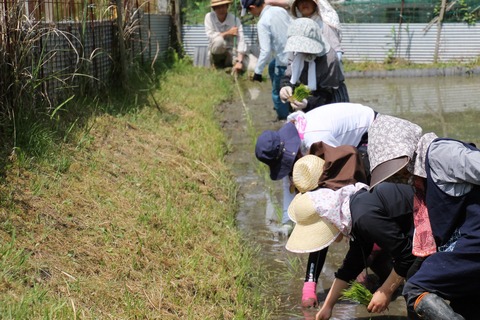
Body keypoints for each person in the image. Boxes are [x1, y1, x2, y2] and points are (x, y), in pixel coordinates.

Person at [366, 114, 480, 320]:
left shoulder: (440, 154)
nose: (394, 177)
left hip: (475, 239)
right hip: (466, 242)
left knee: (417, 288)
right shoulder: (420, 179)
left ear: (404, 150)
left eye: (393, 167)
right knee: (467, 306)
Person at [279, 18, 348, 113]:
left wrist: (308, 103)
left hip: (330, 94)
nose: (302, 50)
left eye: (305, 47)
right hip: (305, 94)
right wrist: (285, 86)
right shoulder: (295, 51)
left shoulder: (329, 58)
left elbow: (326, 93)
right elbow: (289, 76)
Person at [241, 0, 292, 120]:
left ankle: (284, 117)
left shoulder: (263, 22)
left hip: (284, 61)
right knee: (271, 66)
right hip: (295, 55)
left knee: (277, 92)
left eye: (249, 11)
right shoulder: (280, 10)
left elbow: (265, 50)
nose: (251, 14)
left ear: (253, 7)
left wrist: (257, 73)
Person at [205, 0, 248, 73]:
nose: (221, 10)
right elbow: (210, 36)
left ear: (227, 6)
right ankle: (217, 64)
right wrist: (228, 33)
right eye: (218, 7)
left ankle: (233, 65)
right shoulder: (209, 17)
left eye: (223, 6)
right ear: (214, 8)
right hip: (216, 52)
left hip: (232, 52)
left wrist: (239, 61)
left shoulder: (235, 20)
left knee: (250, 66)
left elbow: (241, 40)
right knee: (219, 41)